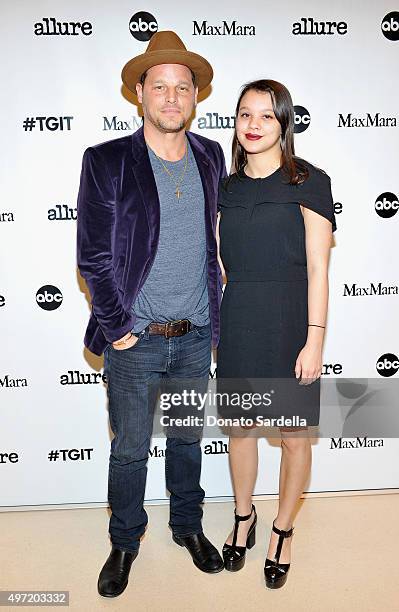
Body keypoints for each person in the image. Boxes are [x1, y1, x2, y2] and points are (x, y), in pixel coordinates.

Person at [76, 30, 227, 598]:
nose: (171, 98)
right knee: (131, 448)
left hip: (194, 336)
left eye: (181, 88)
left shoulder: (211, 156)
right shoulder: (107, 160)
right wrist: (117, 330)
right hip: (133, 340)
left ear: (195, 96)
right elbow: (92, 255)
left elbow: (217, 239)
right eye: (158, 87)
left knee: (188, 441)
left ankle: (187, 527)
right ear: (139, 93)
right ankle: (125, 540)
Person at [216, 79, 337, 588]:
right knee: (240, 432)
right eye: (245, 114)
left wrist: (315, 339)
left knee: (293, 437)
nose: (254, 125)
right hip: (239, 318)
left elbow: (318, 267)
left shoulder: (308, 181)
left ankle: (282, 529)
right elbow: (222, 265)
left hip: (291, 322)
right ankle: (244, 517)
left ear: (284, 122)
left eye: (267, 115)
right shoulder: (224, 186)